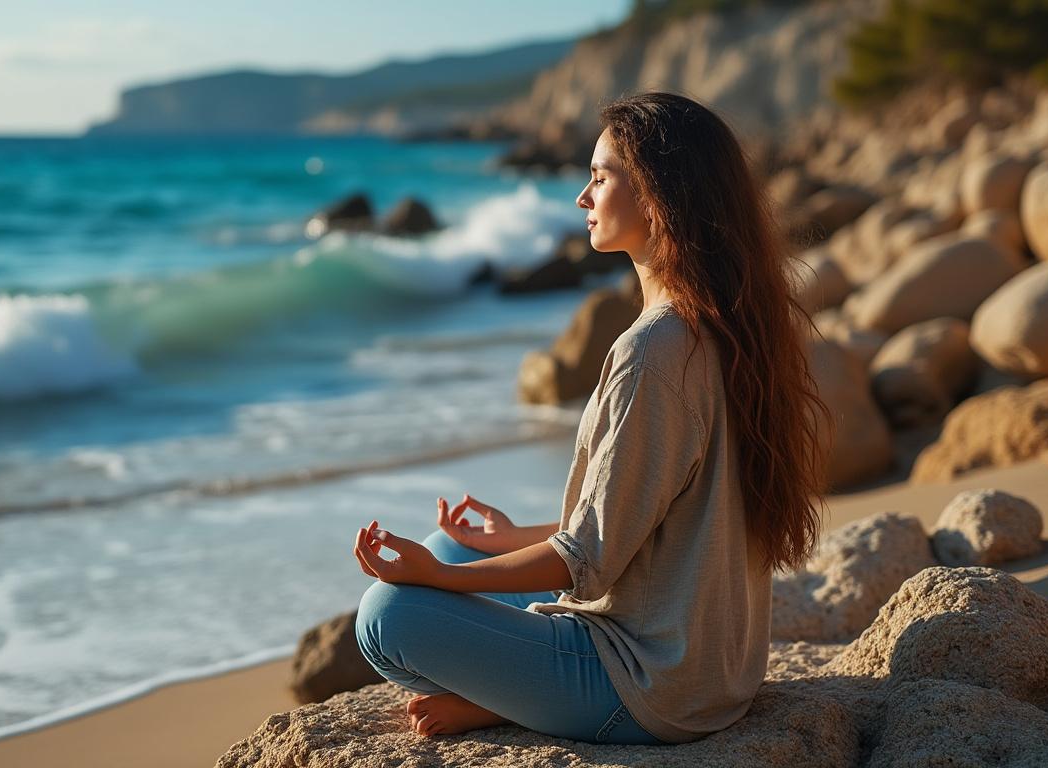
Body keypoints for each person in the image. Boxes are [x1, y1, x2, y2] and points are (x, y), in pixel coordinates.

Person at [351, 91, 831, 745]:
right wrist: (504, 539)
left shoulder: (654, 352)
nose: (582, 198)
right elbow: (655, 520)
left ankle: (516, 701)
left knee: (387, 615)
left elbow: (588, 562)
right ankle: (512, 687)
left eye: (600, 177)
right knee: (453, 545)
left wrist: (439, 580)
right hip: (710, 662)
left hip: (650, 683)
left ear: (659, 196)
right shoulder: (728, 324)